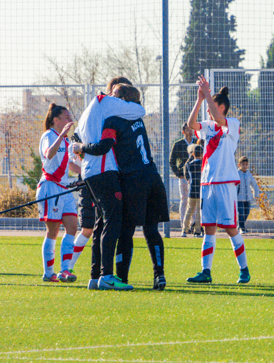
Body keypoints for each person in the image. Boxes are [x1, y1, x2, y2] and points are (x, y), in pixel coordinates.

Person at [78, 84, 168, 290]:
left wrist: (81, 147)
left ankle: (120, 277)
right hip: (153, 177)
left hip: (134, 181)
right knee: (152, 230)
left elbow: (104, 146)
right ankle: (159, 275)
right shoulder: (137, 120)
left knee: (123, 230)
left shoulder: (112, 121)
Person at [73, 76, 145, 291]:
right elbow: (139, 111)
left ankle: (95, 277)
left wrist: (82, 147)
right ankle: (107, 276)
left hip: (91, 172)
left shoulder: (90, 110)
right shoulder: (106, 101)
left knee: (100, 225)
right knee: (112, 222)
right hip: (105, 171)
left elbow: (77, 140)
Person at [185, 78, 250, 284]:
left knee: (230, 228)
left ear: (222, 106)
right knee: (209, 228)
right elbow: (190, 125)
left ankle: (244, 270)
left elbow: (219, 119)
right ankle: (206, 271)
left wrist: (207, 96)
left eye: (211, 105)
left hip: (225, 183)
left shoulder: (232, 123)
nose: (207, 110)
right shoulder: (207, 126)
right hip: (207, 184)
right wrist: (199, 99)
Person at [36, 104, 80, 283]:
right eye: (67, 117)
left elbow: (69, 164)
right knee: (53, 230)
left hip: (64, 187)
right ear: (56, 119)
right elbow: (48, 154)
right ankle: (48, 273)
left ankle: (65, 270)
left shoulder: (68, 141)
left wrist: (87, 174)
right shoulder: (49, 135)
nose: (70, 120)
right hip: (50, 187)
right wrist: (61, 136)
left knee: (72, 226)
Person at [170, 123, 193, 237]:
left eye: (191, 129)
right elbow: (172, 161)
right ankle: (184, 225)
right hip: (183, 177)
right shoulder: (178, 144)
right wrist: (179, 174)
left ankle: (194, 225)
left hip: (196, 177)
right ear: (183, 131)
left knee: (195, 200)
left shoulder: (198, 143)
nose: (190, 131)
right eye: (188, 129)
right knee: (184, 200)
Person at [236, 156, 260, 234]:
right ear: (239, 165)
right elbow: (234, 186)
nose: (245, 166)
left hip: (247, 198)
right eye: (243, 164)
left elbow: (254, 184)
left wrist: (256, 193)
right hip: (239, 198)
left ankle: (240, 226)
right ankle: (242, 228)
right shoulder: (236, 174)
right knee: (241, 213)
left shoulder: (249, 174)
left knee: (246, 212)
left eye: (246, 164)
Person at [183, 144, 203, 236]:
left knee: (189, 210)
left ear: (193, 154)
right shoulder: (204, 165)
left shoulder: (189, 164)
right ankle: (197, 230)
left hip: (192, 190)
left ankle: (184, 229)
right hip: (201, 191)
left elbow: (187, 175)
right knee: (199, 211)